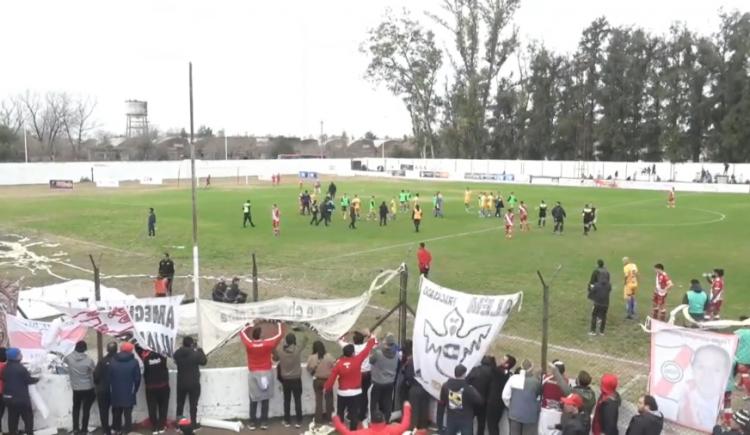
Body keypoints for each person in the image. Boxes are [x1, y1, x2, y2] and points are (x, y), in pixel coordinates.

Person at [325, 331, 377, 430]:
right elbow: (369, 347)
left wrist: (327, 388)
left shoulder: (339, 364)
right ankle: (353, 431)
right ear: (353, 353)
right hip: (355, 392)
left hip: (342, 393)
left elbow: (332, 378)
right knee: (354, 413)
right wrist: (371, 335)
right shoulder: (358, 360)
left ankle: (340, 430)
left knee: (340, 413)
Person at [240, 322, 285, 430]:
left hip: (253, 374)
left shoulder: (249, 345)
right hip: (266, 373)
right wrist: (279, 324)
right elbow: (279, 335)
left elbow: (241, 333)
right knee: (265, 399)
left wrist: (249, 326)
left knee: (253, 399)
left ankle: (252, 423)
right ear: (260, 335)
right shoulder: (268, 344)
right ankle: (264, 422)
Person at [678, 345, 732, 430]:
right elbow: (680, 415)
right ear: (692, 369)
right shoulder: (686, 391)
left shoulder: (723, 398)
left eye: (716, 369)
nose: (707, 375)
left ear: (726, 374)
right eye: (700, 367)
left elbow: (727, 417)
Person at [274, 330, 308, 428]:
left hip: (286, 381)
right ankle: (299, 421)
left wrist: (279, 339)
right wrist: (302, 329)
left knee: (287, 401)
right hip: (296, 379)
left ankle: (287, 420)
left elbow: (274, 353)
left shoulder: (281, 351)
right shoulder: (297, 350)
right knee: (298, 400)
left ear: (286, 341)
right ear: (294, 341)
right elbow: (306, 340)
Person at [437, 364, 483, 435]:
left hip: (451, 420)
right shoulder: (468, 389)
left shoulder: (446, 386)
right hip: (466, 420)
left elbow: (441, 404)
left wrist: (439, 426)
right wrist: (473, 389)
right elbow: (480, 401)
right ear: (464, 374)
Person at [135, 342, 170, 435]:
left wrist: (140, 341)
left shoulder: (144, 355)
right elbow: (166, 345)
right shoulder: (162, 354)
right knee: (163, 406)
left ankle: (154, 427)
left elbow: (137, 348)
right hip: (163, 385)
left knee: (151, 407)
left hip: (150, 387)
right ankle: (161, 426)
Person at [173, 336, 207, 431]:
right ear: (192, 344)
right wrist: (200, 349)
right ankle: (193, 424)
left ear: (183, 344)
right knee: (193, 405)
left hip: (181, 383)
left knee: (180, 404)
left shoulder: (178, 353)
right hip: (193, 383)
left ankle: (178, 425)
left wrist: (182, 348)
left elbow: (175, 357)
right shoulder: (195, 353)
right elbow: (204, 361)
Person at [2, 348, 38, 435]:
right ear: (16, 357)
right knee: (28, 418)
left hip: (8, 398)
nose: (21, 355)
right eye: (20, 354)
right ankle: (29, 433)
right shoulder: (21, 368)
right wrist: (38, 378)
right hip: (21, 398)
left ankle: (12, 433)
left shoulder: (5, 368)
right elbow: (29, 380)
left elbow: (4, 378)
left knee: (12, 418)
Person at [65, 340, 96, 435]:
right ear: (85, 349)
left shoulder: (69, 358)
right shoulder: (89, 360)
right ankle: (84, 430)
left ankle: (75, 429)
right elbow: (93, 371)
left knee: (76, 408)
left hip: (76, 388)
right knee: (86, 409)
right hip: (88, 388)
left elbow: (64, 362)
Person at [502, 359, 541, 435]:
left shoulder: (513, 378)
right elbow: (539, 397)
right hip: (529, 416)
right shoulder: (536, 382)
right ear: (531, 368)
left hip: (514, 414)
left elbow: (505, 396)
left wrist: (511, 406)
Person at [109, 342, 141, 435]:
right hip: (129, 391)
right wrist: (135, 390)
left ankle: (116, 429)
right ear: (131, 350)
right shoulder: (134, 362)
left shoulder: (112, 360)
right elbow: (137, 379)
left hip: (115, 391)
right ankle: (127, 431)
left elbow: (109, 376)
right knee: (128, 414)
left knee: (117, 413)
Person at [369, 333, 399, 424]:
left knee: (374, 403)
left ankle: (374, 420)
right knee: (388, 402)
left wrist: (376, 346)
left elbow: (371, 360)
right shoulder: (396, 353)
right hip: (390, 382)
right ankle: (386, 420)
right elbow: (395, 347)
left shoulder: (378, 353)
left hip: (378, 382)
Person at [332, 403, 411, 435]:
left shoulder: (365, 433)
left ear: (371, 422)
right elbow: (405, 425)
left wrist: (336, 419)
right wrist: (406, 407)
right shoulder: (391, 430)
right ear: (383, 420)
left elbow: (347, 433)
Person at [307, 341, 336, 424]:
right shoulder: (329, 356)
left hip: (317, 380)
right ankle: (329, 418)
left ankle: (318, 419)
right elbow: (334, 366)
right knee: (329, 400)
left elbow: (308, 369)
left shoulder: (311, 357)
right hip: (327, 381)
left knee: (318, 400)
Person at [486, 354, 516, 435]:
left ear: (507, 364)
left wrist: (492, 358)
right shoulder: (507, 373)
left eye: (503, 359)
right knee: (493, 425)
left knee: (492, 425)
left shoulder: (502, 373)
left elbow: (494, 369)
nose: (501, 359)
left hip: (494, 403)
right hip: (498, 403)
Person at [94, 342, 118, 435]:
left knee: (103, 411)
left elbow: (96, 376)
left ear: (107, 350)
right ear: (116, 349)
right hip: (116, 390)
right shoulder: (119, 361)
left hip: (103, 390)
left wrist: (98, 384)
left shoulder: (102, 361)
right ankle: (114, 428)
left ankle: (105, 430)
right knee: (116, 410)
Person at [467, 356, 495, 435]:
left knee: (469, 421)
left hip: (472, 400)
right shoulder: (492, 373)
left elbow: (467, 381)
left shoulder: (475, 370)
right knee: (481, 423)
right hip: (484, 402)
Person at [539, 360, 567, 435]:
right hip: (558, 412)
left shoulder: (546, 378)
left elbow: (540, 390)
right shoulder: (566, 381)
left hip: (546, 410)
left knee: (543, 432)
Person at [588, 259, 612, 335]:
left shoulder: (596, 272)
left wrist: (591, 290)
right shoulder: (607, 275)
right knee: (604, 315)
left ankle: (593, 330)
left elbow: (591, 283)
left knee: (594, 313)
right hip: (605, 301)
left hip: (597, 296)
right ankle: (602, 331)